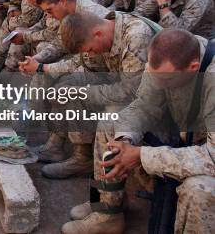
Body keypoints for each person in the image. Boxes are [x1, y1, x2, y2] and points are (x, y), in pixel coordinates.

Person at [61, 28, 214, 234]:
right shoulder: (166, 60)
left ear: (193, 68)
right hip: (184, 137)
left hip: (207, 154)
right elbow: (145, 105)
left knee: (200, 188)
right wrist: (125, 140)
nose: (159, 83)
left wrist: (142, 155)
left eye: (166, 81)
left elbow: (211, 156)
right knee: (111, 124)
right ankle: (108, 212)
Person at [33, 10, 153, 179]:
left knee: (108, 118)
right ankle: (81, 157)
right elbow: (88, 66)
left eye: (89, 49)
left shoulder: (136, 37)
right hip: (121, 83)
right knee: (68, 86)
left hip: (147, 98)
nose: (90, 54)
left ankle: (107, 194)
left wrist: (82, 92)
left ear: (97, 34)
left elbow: (129, 92)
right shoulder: (103, 32)